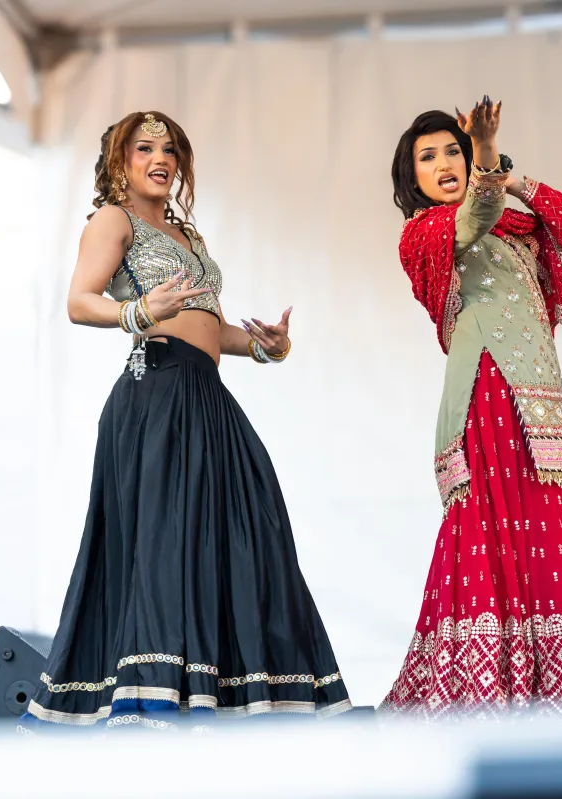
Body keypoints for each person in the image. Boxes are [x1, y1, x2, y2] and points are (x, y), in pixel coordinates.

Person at [22, 111, 351, 731]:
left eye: (169, 149)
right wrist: (140, 309)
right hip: (156, 396)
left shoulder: (187, 237)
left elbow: (208, 327)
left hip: (205, 395)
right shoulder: (111, 221)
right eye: (144, 147)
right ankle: (151, 704)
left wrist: (263, 345)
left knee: (250, 533)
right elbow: (78, 302)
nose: (160, 158)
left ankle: (237, 694)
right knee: (166, 548)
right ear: (119, 160)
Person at [382, 98, 562, 719]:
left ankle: (553, 691)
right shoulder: (425, 234)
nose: (444, 162)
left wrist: (512, 175)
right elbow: (476, 215)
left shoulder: (518, 223)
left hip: (541, 399)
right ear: (414, 180)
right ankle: (481, 687)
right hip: (486, 388)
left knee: (544, 529)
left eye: (452, 149)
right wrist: (486, 159)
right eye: (428, 157)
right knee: (488, 524)